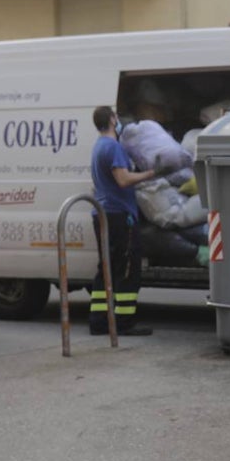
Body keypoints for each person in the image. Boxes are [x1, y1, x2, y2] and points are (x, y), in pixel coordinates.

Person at [88, 106, 155, 336]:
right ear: (112, 119)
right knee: (127, 270)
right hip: (119, 216)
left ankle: (98, 321)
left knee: (106, 268)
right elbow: (123, 179)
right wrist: (150, 174)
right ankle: (124, 323)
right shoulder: (113, 147)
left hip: (103, 214)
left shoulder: (98, 147)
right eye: (116, 117)